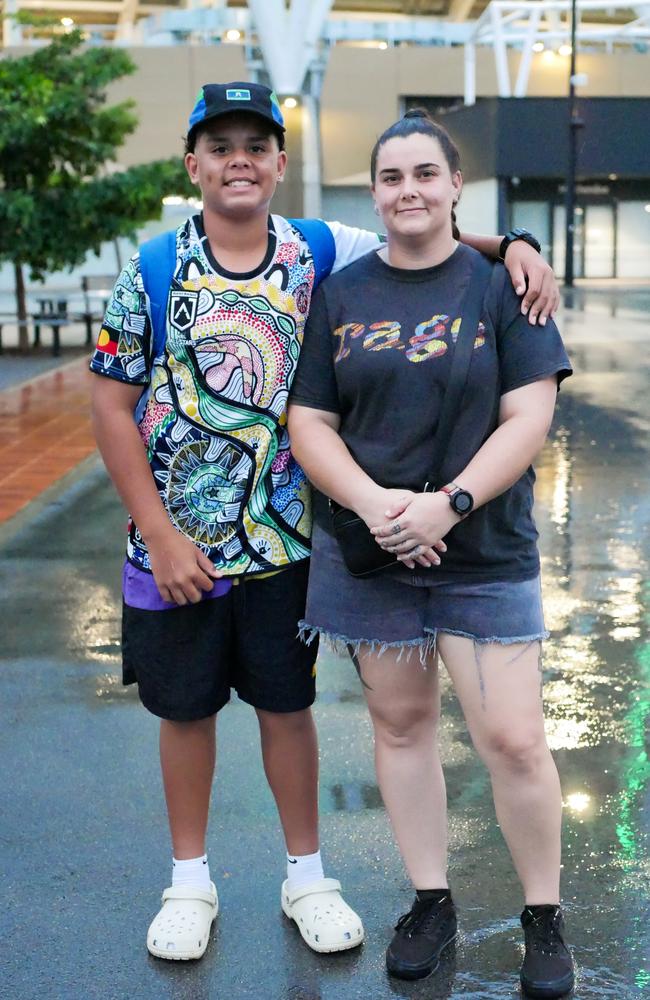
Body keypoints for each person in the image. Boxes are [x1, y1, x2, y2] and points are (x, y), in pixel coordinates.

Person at [89, 83, 559, 964]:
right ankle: (189, 879)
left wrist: (515, 246)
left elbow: (423, 232)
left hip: (285, 545)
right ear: (192, 163)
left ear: (278, 163)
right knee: (184, 715)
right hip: (175, 549)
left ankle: (306, 873)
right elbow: (110, 410)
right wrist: (156, 530)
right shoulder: (150, 269)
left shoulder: (316, 248)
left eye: (255, 145)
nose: (238, 159)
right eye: (219, 145)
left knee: (286, 706)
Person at [288, 108, 574, 999]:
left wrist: (448, 507)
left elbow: (529, 413)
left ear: (456, 188)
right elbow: (310, 421)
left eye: (424, 174)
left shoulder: (501, 287)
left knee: (514, 739)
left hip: (481, 548)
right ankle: (430, 901)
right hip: (369, 549)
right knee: (401, 727)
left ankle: (542, 917)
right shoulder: (341, 292)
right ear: (373, 195)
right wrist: (376, 507)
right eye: (390, 177)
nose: (407, 190)